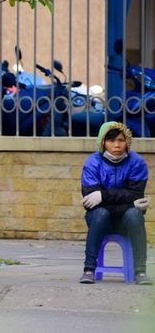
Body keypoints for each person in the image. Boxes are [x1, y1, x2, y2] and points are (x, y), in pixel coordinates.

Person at [80, 121, 152, 285]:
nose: (117, 145)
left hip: (125, 220)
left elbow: (135, 194)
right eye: (111, 141)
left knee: (135, 214)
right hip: (99, 219)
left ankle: (140, 271)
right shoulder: (93, 163)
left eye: (121, 140)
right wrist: (128, 202)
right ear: (103, 142)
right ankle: (89, 269)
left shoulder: (136, 162)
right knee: (100, 213)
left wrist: (103, 196)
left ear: (127, 142)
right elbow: (90, 202)